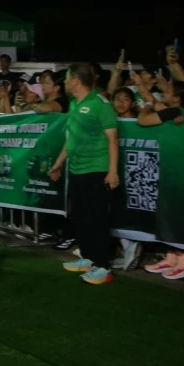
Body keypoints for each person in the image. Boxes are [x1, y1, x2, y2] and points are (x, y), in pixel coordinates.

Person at [49, 64, 120, 285]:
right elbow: (72, 140)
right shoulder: (73, 104)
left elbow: (112, 139)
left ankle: (104, 267)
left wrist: (113, 171)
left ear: (76, 81)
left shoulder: (101, 105)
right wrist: (58, 164)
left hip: (96, 169)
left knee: (97, 219)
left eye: (67, 79)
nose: (65, 83)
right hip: (76, 169)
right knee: (80, 218)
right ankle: (88, 258)